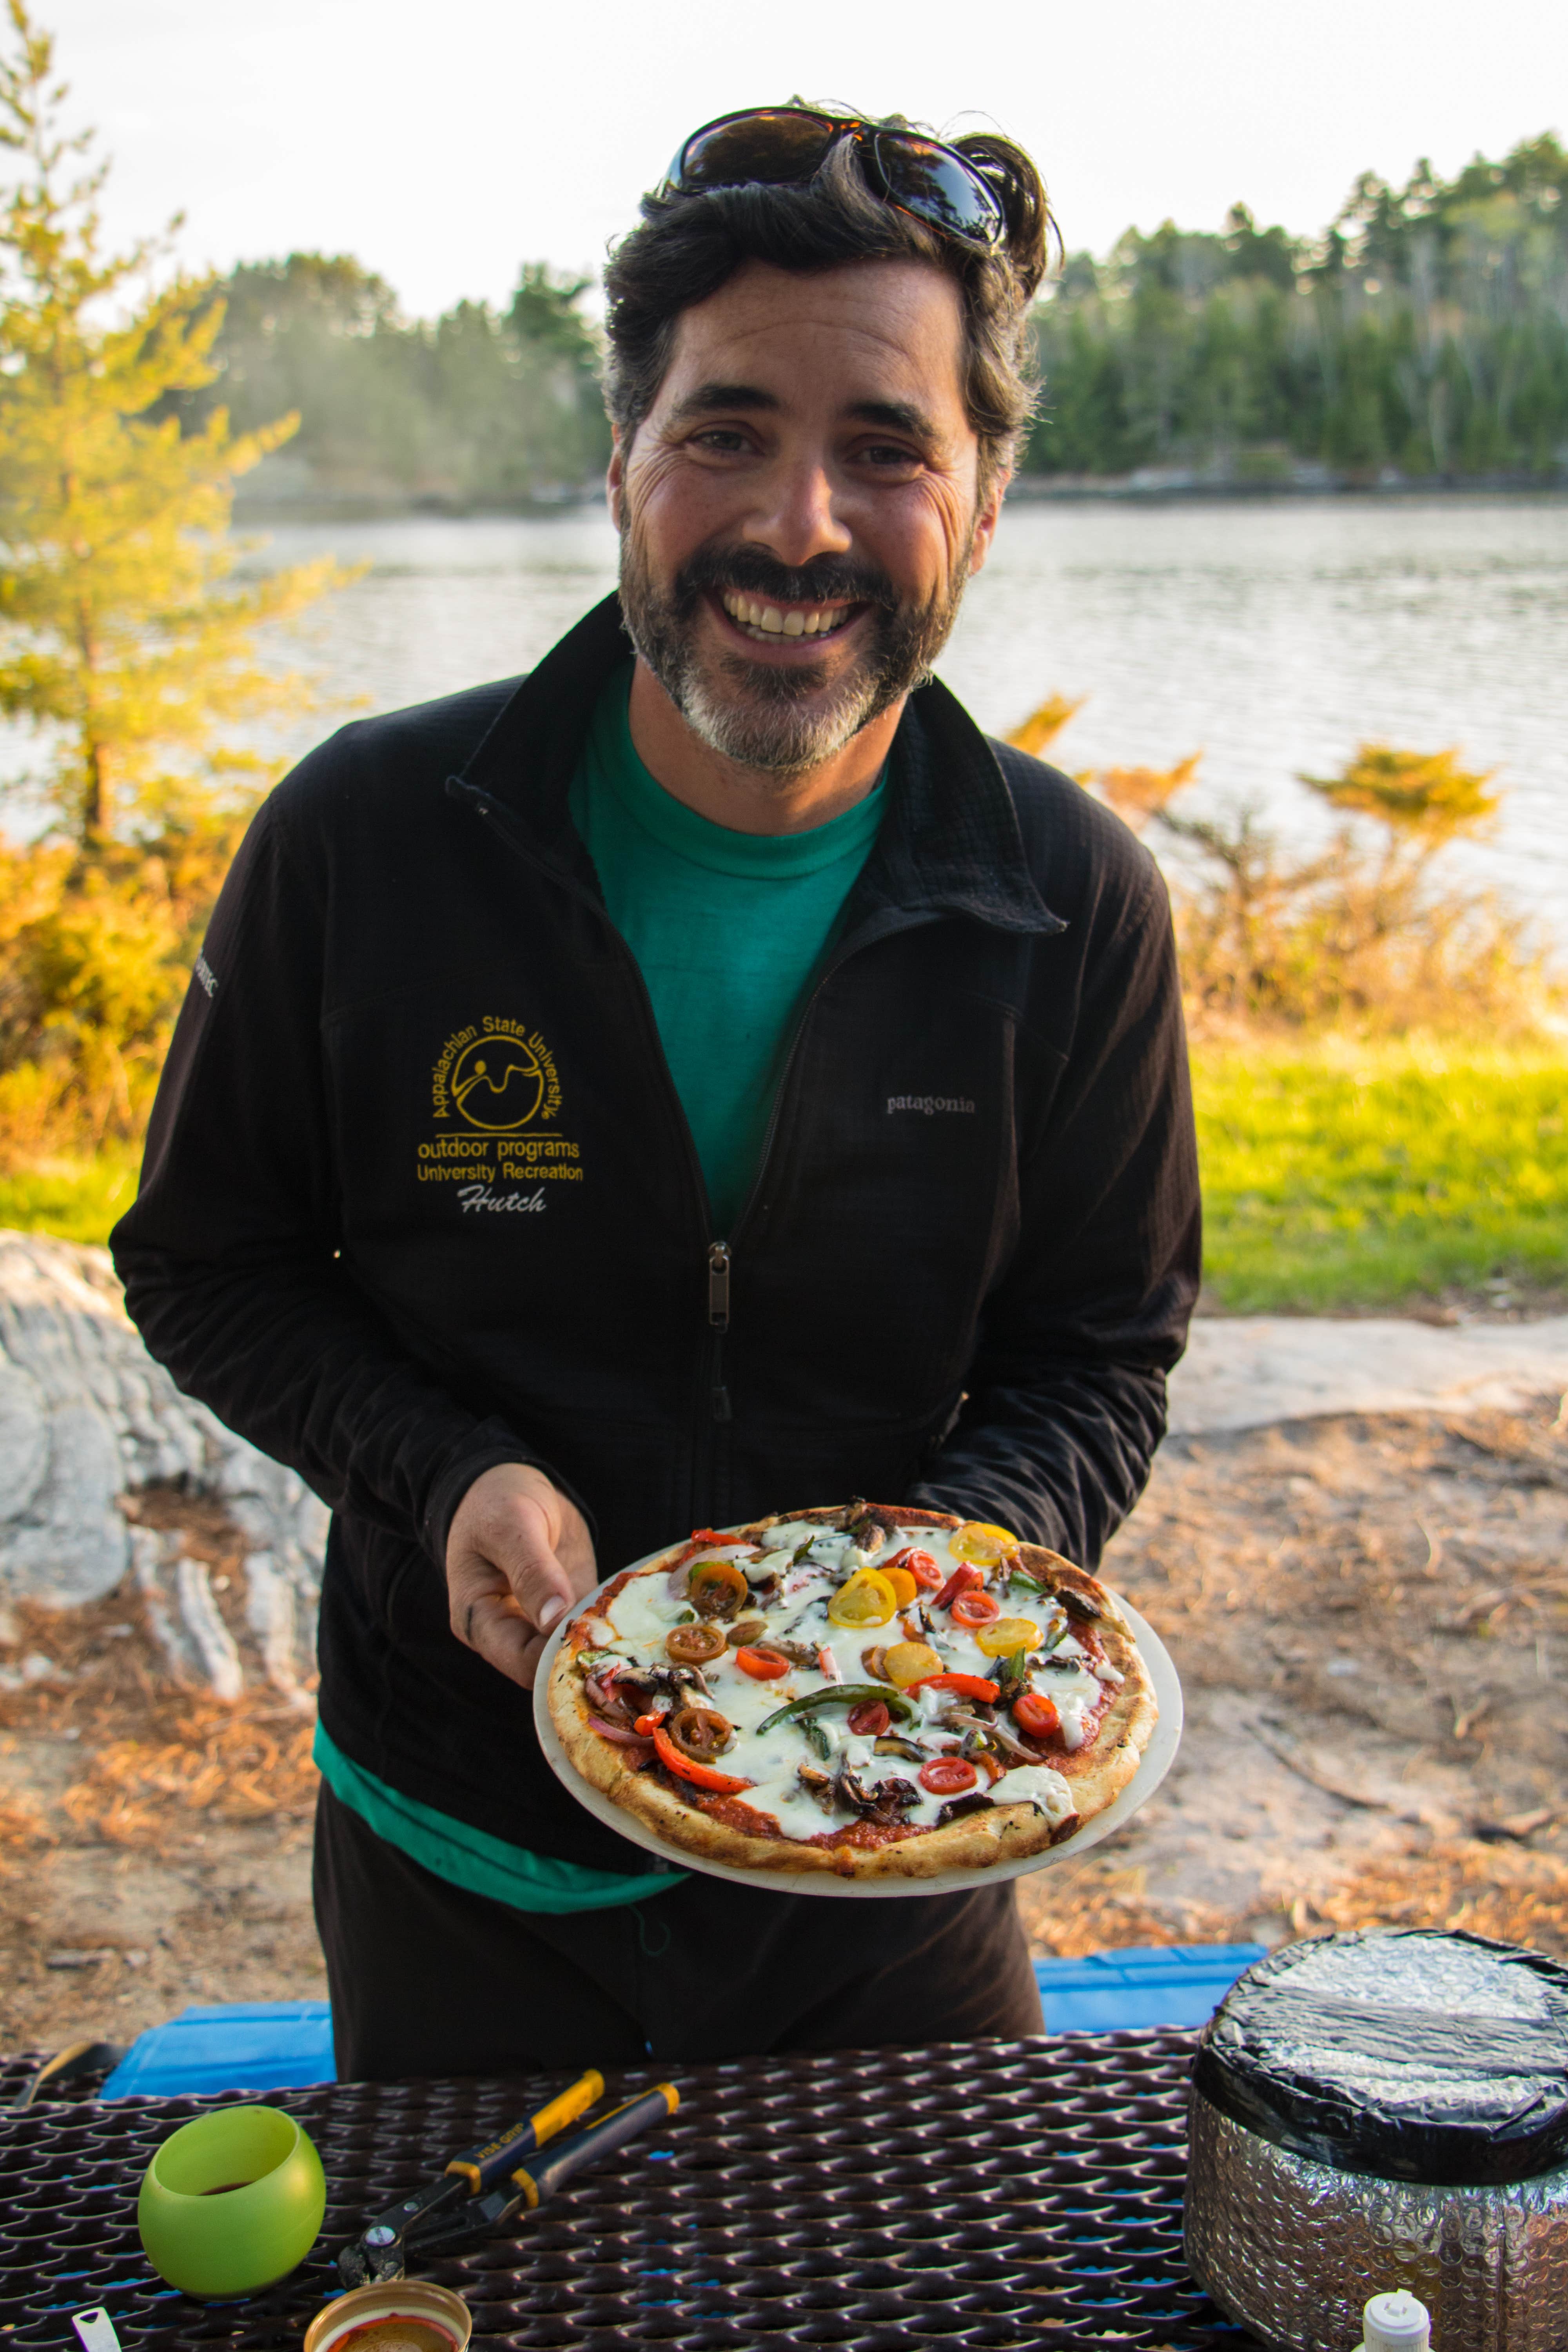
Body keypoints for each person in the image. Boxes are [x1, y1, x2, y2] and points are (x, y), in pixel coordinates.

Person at [111, 105, 1200, 2081]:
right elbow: (211, 1262)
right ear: (620, 461)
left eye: (886, 449)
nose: (799, 524)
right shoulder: (368, 835)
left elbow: (1099, 1356)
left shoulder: (1073, 902)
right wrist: (442, 1473)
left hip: (901, 1871)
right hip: (463, 1870)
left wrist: (903, 1607)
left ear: (982, 494)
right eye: (725, 434)